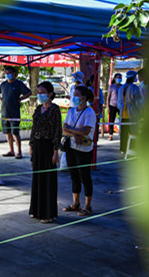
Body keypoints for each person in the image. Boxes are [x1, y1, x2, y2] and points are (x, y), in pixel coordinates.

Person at [28, 81, 62, 224]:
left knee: (48, 179)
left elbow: (57, 131)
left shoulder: (55, 109)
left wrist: (55, 151)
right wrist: (31, 145)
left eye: (42, 92)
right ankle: (36, 209)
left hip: (48, 146)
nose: (40, 94)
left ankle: (48, 213)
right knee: (37, 178)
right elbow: (34, 128)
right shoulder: (38, 109)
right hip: (37, 146)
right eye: (39, 92)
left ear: (50, 94)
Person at [62, 86, 96, 217]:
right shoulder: (71, 112)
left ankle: (88, 205)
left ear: (84, 98)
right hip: (71, 147)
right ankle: (76, 203)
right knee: (74, 176)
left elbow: (86, 131)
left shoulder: (89, 113)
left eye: (76, 95)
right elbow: (64, 129)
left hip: (84, 150)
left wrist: (72, 131)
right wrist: (74, 135)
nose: (74, 97)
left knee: (85, 177)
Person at [0, 66, 32, 159]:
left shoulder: (18, 84)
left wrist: (20, 99)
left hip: (14, 112)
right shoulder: (3, 84)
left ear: (14, 74)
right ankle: (11, 150)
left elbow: (29, 92)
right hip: (4, 112)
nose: (7, 74)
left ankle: (19, 151)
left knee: (15, 132)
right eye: (6, 73)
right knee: (7, 132)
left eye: (9, 72)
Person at [117, 70, 143, 153]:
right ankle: (131, 149)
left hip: (123, 114)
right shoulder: (135, 88)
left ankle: (123, 149)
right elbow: (139, 102)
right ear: (133, 78)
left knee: (124, 134)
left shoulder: (121, 88)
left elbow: (119, 103)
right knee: (133, 132)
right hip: (133, 114)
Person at [105, 73, 122, 141]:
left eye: (120, 77)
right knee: (111, 120)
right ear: (114, 78)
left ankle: (121, 134)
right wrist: (108, 106)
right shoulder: (111, 86)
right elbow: (108, 97)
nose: (119, 79)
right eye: (118, 77)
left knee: (121, 119)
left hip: (120, 105)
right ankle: (110, 134)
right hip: (112, 105)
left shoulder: (122, 86)